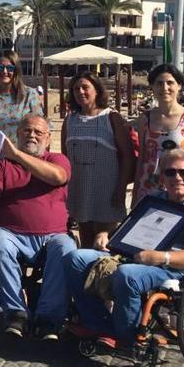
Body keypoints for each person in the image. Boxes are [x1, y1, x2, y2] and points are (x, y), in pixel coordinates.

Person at [65, 149, 184, 347]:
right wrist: (108, 235)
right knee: (75, 258)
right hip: (135, 255)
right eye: (170, 172)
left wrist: (162, 257)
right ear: (161, 177)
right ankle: (97, 324)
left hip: (173, 269)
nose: (178, 177)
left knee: (127, 275)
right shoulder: (154, 198)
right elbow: (129, 226)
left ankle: (127, 336)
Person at [0, 114, 76, 340]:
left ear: (48, 139)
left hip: (53, 235)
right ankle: (16, 313)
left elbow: (57, 177)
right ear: (18, 135)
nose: (32, 135)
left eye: (38, 132)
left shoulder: (58, 159)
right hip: (11, 232)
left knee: (66, 250)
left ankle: (49, 317)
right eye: (27, 131)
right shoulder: (4, 163)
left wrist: (17, 154)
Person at [62, 71, 135, 249]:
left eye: (85, 87)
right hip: (80, 189)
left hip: (107, 191)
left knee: (105, 243)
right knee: (86, 242)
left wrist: (121, 188)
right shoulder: (69, 120)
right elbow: (64, 158)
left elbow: (127, 157)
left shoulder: (111, 118)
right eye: (76, 89)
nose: (80, 92)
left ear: (97, 90)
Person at [132, 64, 184, 205]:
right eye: (159, 83)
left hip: (180, 190)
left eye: (170, 83)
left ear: (179, 85)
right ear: (152, 87)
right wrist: (136, 192)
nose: (165, 88)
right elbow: (142, 159)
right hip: (148, 189)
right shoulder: (145, 119)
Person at [0, 50, 42, 140]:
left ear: (16, 70)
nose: (4, 71)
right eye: (0, 67)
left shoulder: (30, 96)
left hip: (21, 153)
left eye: (10, 68)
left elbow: (40, 130)